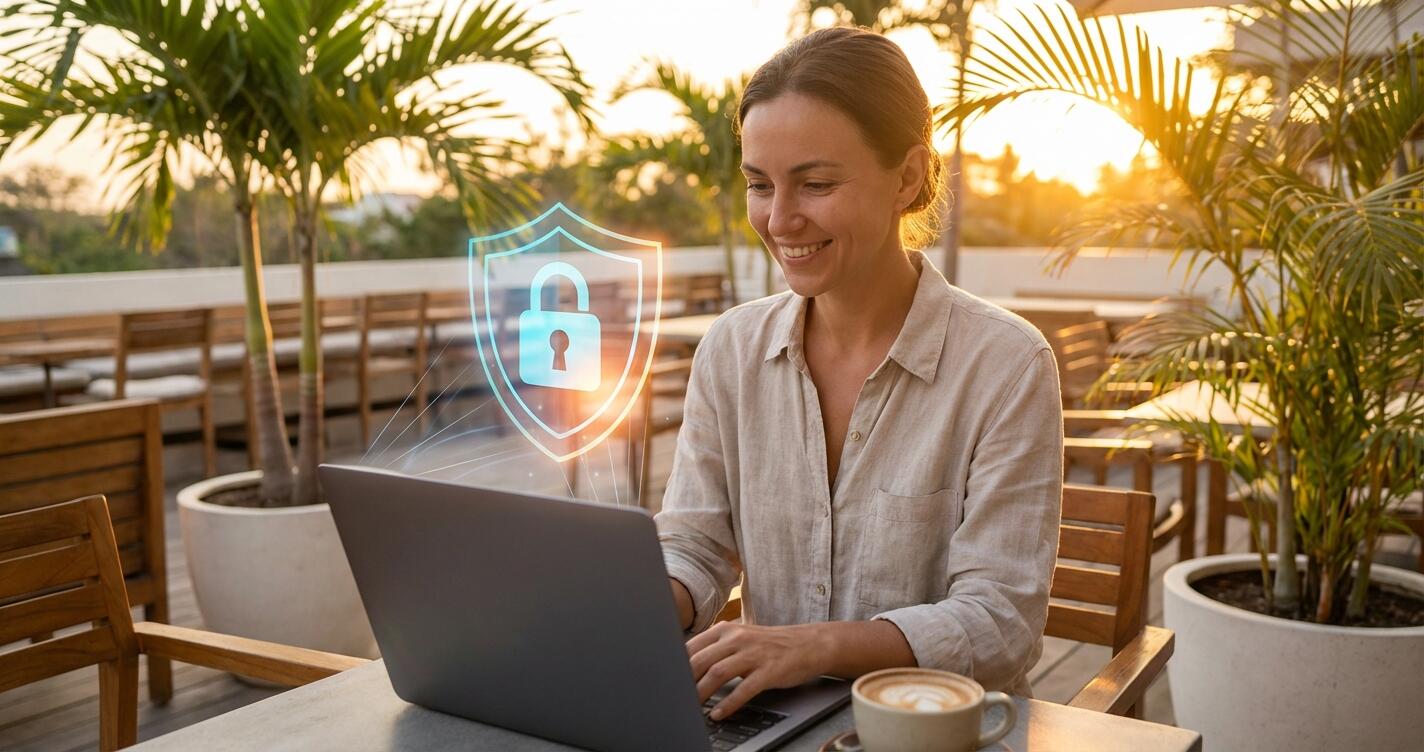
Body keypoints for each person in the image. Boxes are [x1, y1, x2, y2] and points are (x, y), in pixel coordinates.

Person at [654, 26, 1064, 722]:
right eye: (759, 185)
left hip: (938, 733)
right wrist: (637, 600)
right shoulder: (731, 350)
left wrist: (813, 647)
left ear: (907, 176)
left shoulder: (1005, 366)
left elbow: (1000, 625)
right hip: (764, 722)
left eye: (815, 184)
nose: (780, 219)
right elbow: (695, 542)